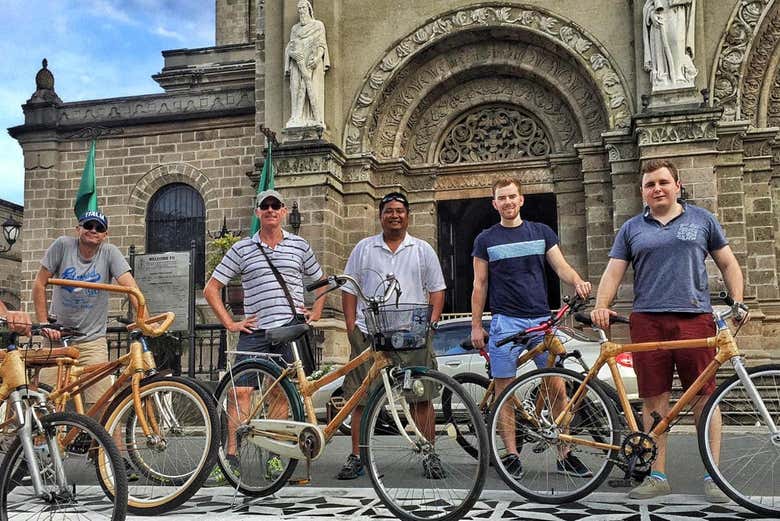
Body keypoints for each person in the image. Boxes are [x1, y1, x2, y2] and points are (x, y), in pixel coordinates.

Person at [590, 159, 743, 503]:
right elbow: (613, 272)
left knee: (705, 398)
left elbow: (728, 262)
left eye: (662, 182)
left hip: (695, 319)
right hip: (647, 321)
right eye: (649, 185)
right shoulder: (632, 228)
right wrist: (601, 303)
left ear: (677, 185)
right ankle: (657, 475)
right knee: (653, 399)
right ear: (642, 192)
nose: (656, 189)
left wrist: (738, 302)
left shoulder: (702, 220)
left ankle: (713, 476)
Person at [470, 178, 592, 479]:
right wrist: (476, 325)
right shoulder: (485, 239)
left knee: (557, 386)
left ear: (521, 199)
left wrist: (576, 280)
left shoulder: (541, 232)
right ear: (495, 204)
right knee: (504, 390)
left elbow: (560, 266)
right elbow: (480, 284)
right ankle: (511, 455)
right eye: (502, 198)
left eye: (512, 196)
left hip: (541, 320)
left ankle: (565, 452)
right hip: (504, 321)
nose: (508, 202)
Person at [204, 189, 326, 478]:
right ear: (258, 213)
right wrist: (230, 323)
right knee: (239, 393)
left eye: (276, 205)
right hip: (255, 331)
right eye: (265, 206)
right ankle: (231, 457)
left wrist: (317, 311)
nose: (271, 210)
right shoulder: (242, 249)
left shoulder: (299, 245)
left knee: (280, 395)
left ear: (283, 211)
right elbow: (212, 288)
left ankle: (274, 454)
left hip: (289, 329)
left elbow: (321, 282)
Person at [336, 192, 446, 480]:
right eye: (388, 211)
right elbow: (348, 289)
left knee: (420, 396)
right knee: (361, 398)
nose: (394, 215)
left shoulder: (422, 250)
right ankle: (357, 456)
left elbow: (437, 290)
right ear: (380, 215)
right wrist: (351, 328)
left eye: (399, 211)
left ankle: (429, 453)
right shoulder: (364, 248)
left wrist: (431, 324)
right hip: (370, 336)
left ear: (408, 215)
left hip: (412, 336)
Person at [33, 210, 138, 407]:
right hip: (58, 339)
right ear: (78, 229)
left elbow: (131, 288)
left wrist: (144, 321)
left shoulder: (109, 252)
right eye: (88, 226)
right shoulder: (63, 245)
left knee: (102, 405)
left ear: (105, 235)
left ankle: (108, 440)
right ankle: (46, 437)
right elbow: (39, 284)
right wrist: (44, 323)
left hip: (92, 340)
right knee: (45, 402)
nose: (93, 230)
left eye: (99, 228)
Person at [284, 0, 330, 128]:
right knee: (296, 89)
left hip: (312, 64)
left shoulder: (318, 25)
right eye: (299, 9)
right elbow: (290, 47)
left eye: (303, 8)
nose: (301, 11)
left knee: (312, 89)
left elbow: (321, 44)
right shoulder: (295, 29)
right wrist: (294, 55)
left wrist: (316, 59)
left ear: (309, 9)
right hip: (297, 65)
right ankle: (297, 117)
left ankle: (316, 118)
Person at [642, 0, 697, 89]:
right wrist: (652, 14)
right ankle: (665, 76)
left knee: (676, 41)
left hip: (677, 12)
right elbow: (649, 5)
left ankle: (679, 74)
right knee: (662, 48)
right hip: (661, 15)